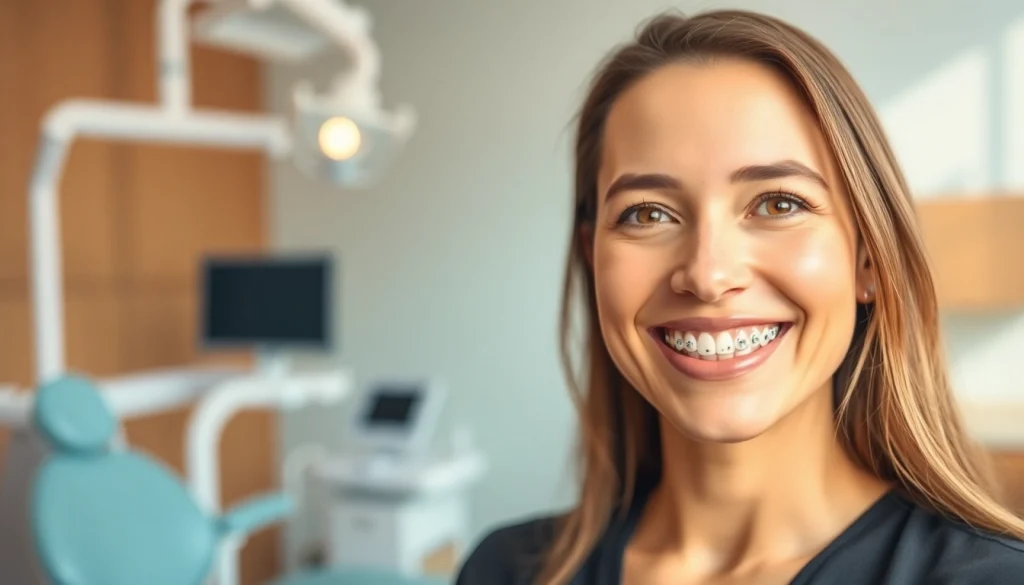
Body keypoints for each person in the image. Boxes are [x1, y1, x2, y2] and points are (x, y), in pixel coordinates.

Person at [455, 8, 1024, 585]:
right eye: (648, 214)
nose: (707, 274)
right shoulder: (505, 570)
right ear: (590, 256)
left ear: (867, 257)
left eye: (779, 204)